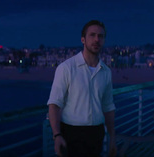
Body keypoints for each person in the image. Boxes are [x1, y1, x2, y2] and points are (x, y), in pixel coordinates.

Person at [47, 20, 117, 157]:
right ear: (83, 39)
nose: (97, 39)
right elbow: (54, 104)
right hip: (71, 134)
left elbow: (108, 107)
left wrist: (112, 137)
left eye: (100, 36)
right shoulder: (66, 68)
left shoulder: (106, 72)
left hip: (96, 133)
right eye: (92, 35)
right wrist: (57, 135)